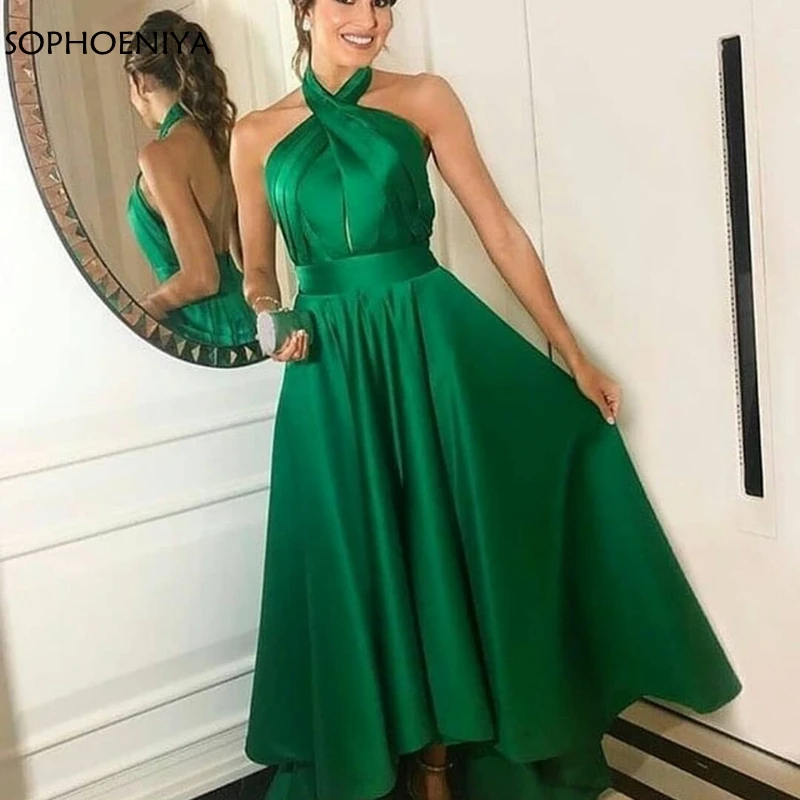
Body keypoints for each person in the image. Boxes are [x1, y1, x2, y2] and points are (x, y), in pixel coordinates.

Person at [231, 1, 742, 798]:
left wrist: (572, 352)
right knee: (359, 559)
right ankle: (382, 755)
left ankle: (442, 764)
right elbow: (256, 268)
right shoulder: (256, 134)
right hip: (332, 369)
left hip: (432, 348)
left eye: (382, 1)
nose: (368, 17)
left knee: (447, 551)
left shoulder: (423, 98)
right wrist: (272, 313)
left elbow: (498, 228)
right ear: (303, 7)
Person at [124, 10, 257, 348]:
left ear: (142, 81)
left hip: (201, 331)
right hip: (247, 320)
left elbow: (201, 278)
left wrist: (145, 308)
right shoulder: (220, 141)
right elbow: (245, 257)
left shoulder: (159, 155)